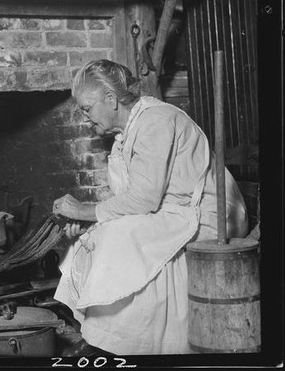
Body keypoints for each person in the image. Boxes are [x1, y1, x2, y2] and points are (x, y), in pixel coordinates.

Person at [52, 59, 248, 355]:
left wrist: (83, 210)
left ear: (110, 99)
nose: (85, 118)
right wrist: (94, 220)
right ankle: (112, 338)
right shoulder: (126, 134)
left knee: (119, 238)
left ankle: (139, 344)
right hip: (169, 210)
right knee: (99, 237)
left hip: (207, 213)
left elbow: (143, 200)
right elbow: (134, 200)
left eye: (86, 108)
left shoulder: (156, 121)